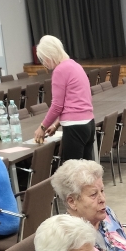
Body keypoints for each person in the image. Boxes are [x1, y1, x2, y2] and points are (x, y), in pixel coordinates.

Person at [33, 35, 95, 163]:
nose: (45, 64)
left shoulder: (60, 70)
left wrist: (42, 127)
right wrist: (56, 124)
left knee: (72, 171)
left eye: (44, 59)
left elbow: (57, 106)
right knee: (86, 170)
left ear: (50, 55)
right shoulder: (75, 65)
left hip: (74, 128)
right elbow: (77, 101)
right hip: (88, 124)